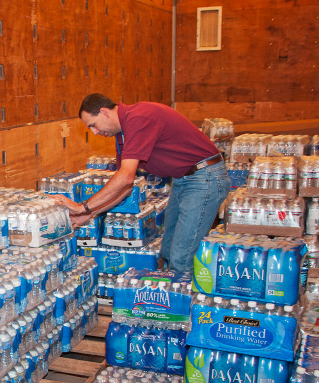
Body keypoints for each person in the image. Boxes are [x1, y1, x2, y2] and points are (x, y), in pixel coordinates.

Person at [54, 93, 229, 273]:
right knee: (167, 250)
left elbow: (126, 177)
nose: (95, 132)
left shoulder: (138, 118)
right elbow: (125, 187)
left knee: (181, 258)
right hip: (184, 179)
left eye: (93, 125)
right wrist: (90, 214)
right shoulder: (122, 135)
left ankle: (183, 298)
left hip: (204, 177)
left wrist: (83, 207)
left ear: (104, 112)